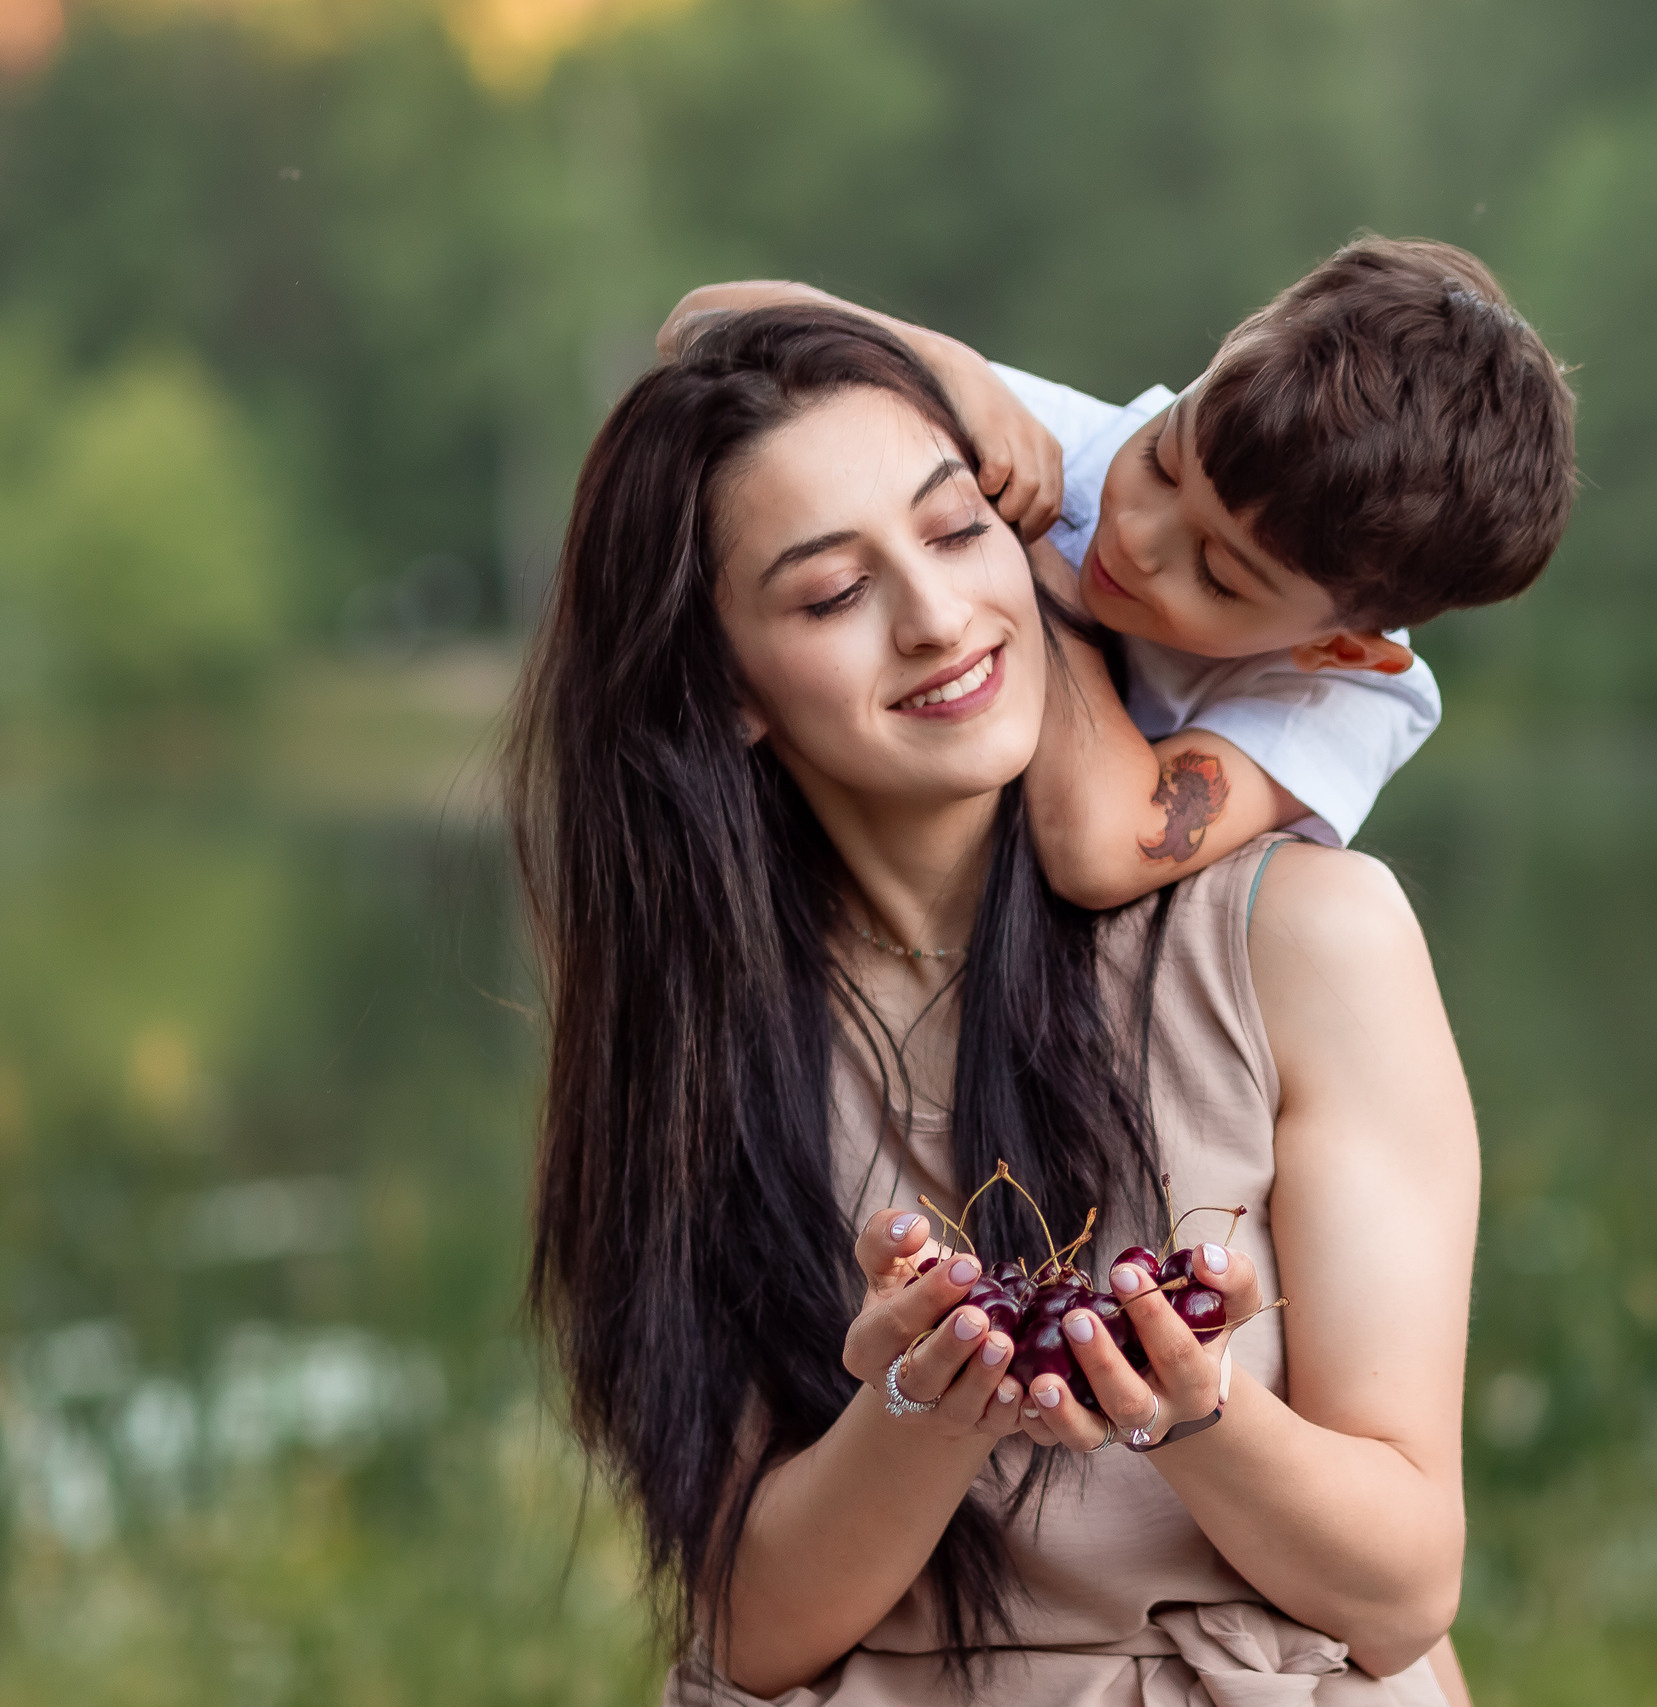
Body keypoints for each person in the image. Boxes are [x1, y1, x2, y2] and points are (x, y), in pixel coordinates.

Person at [506, 304, 1481, 1705]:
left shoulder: (1307, 937)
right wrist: (923, 1405)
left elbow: (1401, 1591)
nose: (940, 617)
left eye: (963, 533)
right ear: (727, 686)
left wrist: (1187, 1404)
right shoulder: (700, 1026)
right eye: (835, 595)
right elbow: (750, 1631)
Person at [658, 237, 1575, 909]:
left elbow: (1101, 847)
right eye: (1164, 459)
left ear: (1339, 642)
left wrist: (1042, 584)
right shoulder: (1072, 444)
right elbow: (700, 326)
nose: (1136, 534)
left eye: (1217, 574)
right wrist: (941, 364)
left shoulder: (1346, 698)